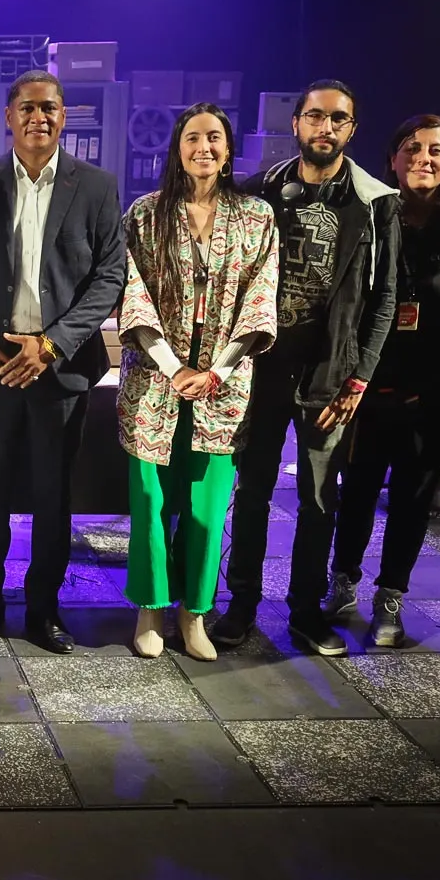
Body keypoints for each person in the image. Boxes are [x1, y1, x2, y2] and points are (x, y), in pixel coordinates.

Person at [213, 80, 401, 657]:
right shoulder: (259, 191)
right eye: (315, 117)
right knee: (251, 493)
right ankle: (241, 605)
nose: (326, 128)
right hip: (263, 370)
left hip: (331, 375)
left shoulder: (374, 202)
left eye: (337, 119)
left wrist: (359, 376)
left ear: (351, 129)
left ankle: (304, 611)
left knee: (320, 500)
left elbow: (385, 299)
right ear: (295, 124)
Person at [0, 69, 127, 652]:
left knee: (54, 496)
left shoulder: (96, 186)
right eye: (27, 108)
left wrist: (50, 344)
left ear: (64, 115)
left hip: (60, 366)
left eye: (49, 107)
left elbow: (109, 277)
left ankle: (45, 609)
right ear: (8, 116)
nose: (38, 118)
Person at [116, 105, 280, 662]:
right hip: (153, 384)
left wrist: (218, 369)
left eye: (214, 137)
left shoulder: (256, 216)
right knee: (150, 502)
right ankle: (150, 610)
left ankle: (194, 616)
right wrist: (172, 365)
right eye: (192, 138)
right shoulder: (145, 214)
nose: (203, 147)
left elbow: (261, 298)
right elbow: (131, 291)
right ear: (177, 148)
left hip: (223, 387)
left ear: (228, 149)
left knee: (209, 510)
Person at [328, 116, 440, 647]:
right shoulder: (371, 213)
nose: (424, 157)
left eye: (436, 150)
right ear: (393, 159)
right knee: (355, 490)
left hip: (436, 385)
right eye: (411, 148)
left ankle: (390, 596)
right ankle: (343, 581)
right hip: (368, 383)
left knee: (413, 496)